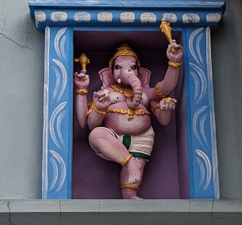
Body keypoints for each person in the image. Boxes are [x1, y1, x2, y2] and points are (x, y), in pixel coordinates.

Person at [74, 41, 183, 199]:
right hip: (113, 138)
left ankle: (130, 196)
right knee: (96, 135)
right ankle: (129, 162)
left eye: (133, 67)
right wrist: (99, 108)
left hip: (142, 138)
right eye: (118, 67)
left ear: (139, 72)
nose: (127, 71)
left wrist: (174, 63)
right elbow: (89, 124)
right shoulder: (105, 92)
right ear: (110, 73)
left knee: (133, 181)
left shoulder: (147, 92)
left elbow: (165, 95)